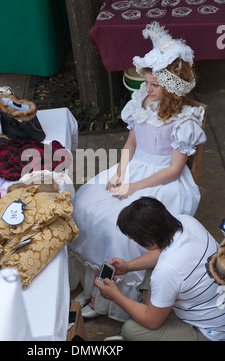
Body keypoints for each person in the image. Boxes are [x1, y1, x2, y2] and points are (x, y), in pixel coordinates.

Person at [68, 22, 207, 321]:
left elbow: (173, 170)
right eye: (146, 82)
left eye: (154, 85)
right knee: (86, 205)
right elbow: (130, 143)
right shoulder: (140, 103)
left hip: (162, 180)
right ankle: (94, 283)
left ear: (171, 88)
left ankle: (110, 295)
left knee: (123, 229)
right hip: (134, 168)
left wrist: (133, 188)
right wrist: (120, 173)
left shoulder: (183, 123)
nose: (147, 88)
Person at [95, 197, 225, 341]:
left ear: (148, 240)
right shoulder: (187, 222)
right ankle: (153, 308)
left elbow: (152, 322)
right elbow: (163, 253)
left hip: (211, 332)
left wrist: (115, 296)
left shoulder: (167, 270)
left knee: (131, 330)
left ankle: (152, 311)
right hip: (215, 305)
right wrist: (128, 267)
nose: (133, 241)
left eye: (133, 238)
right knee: (156, 272)